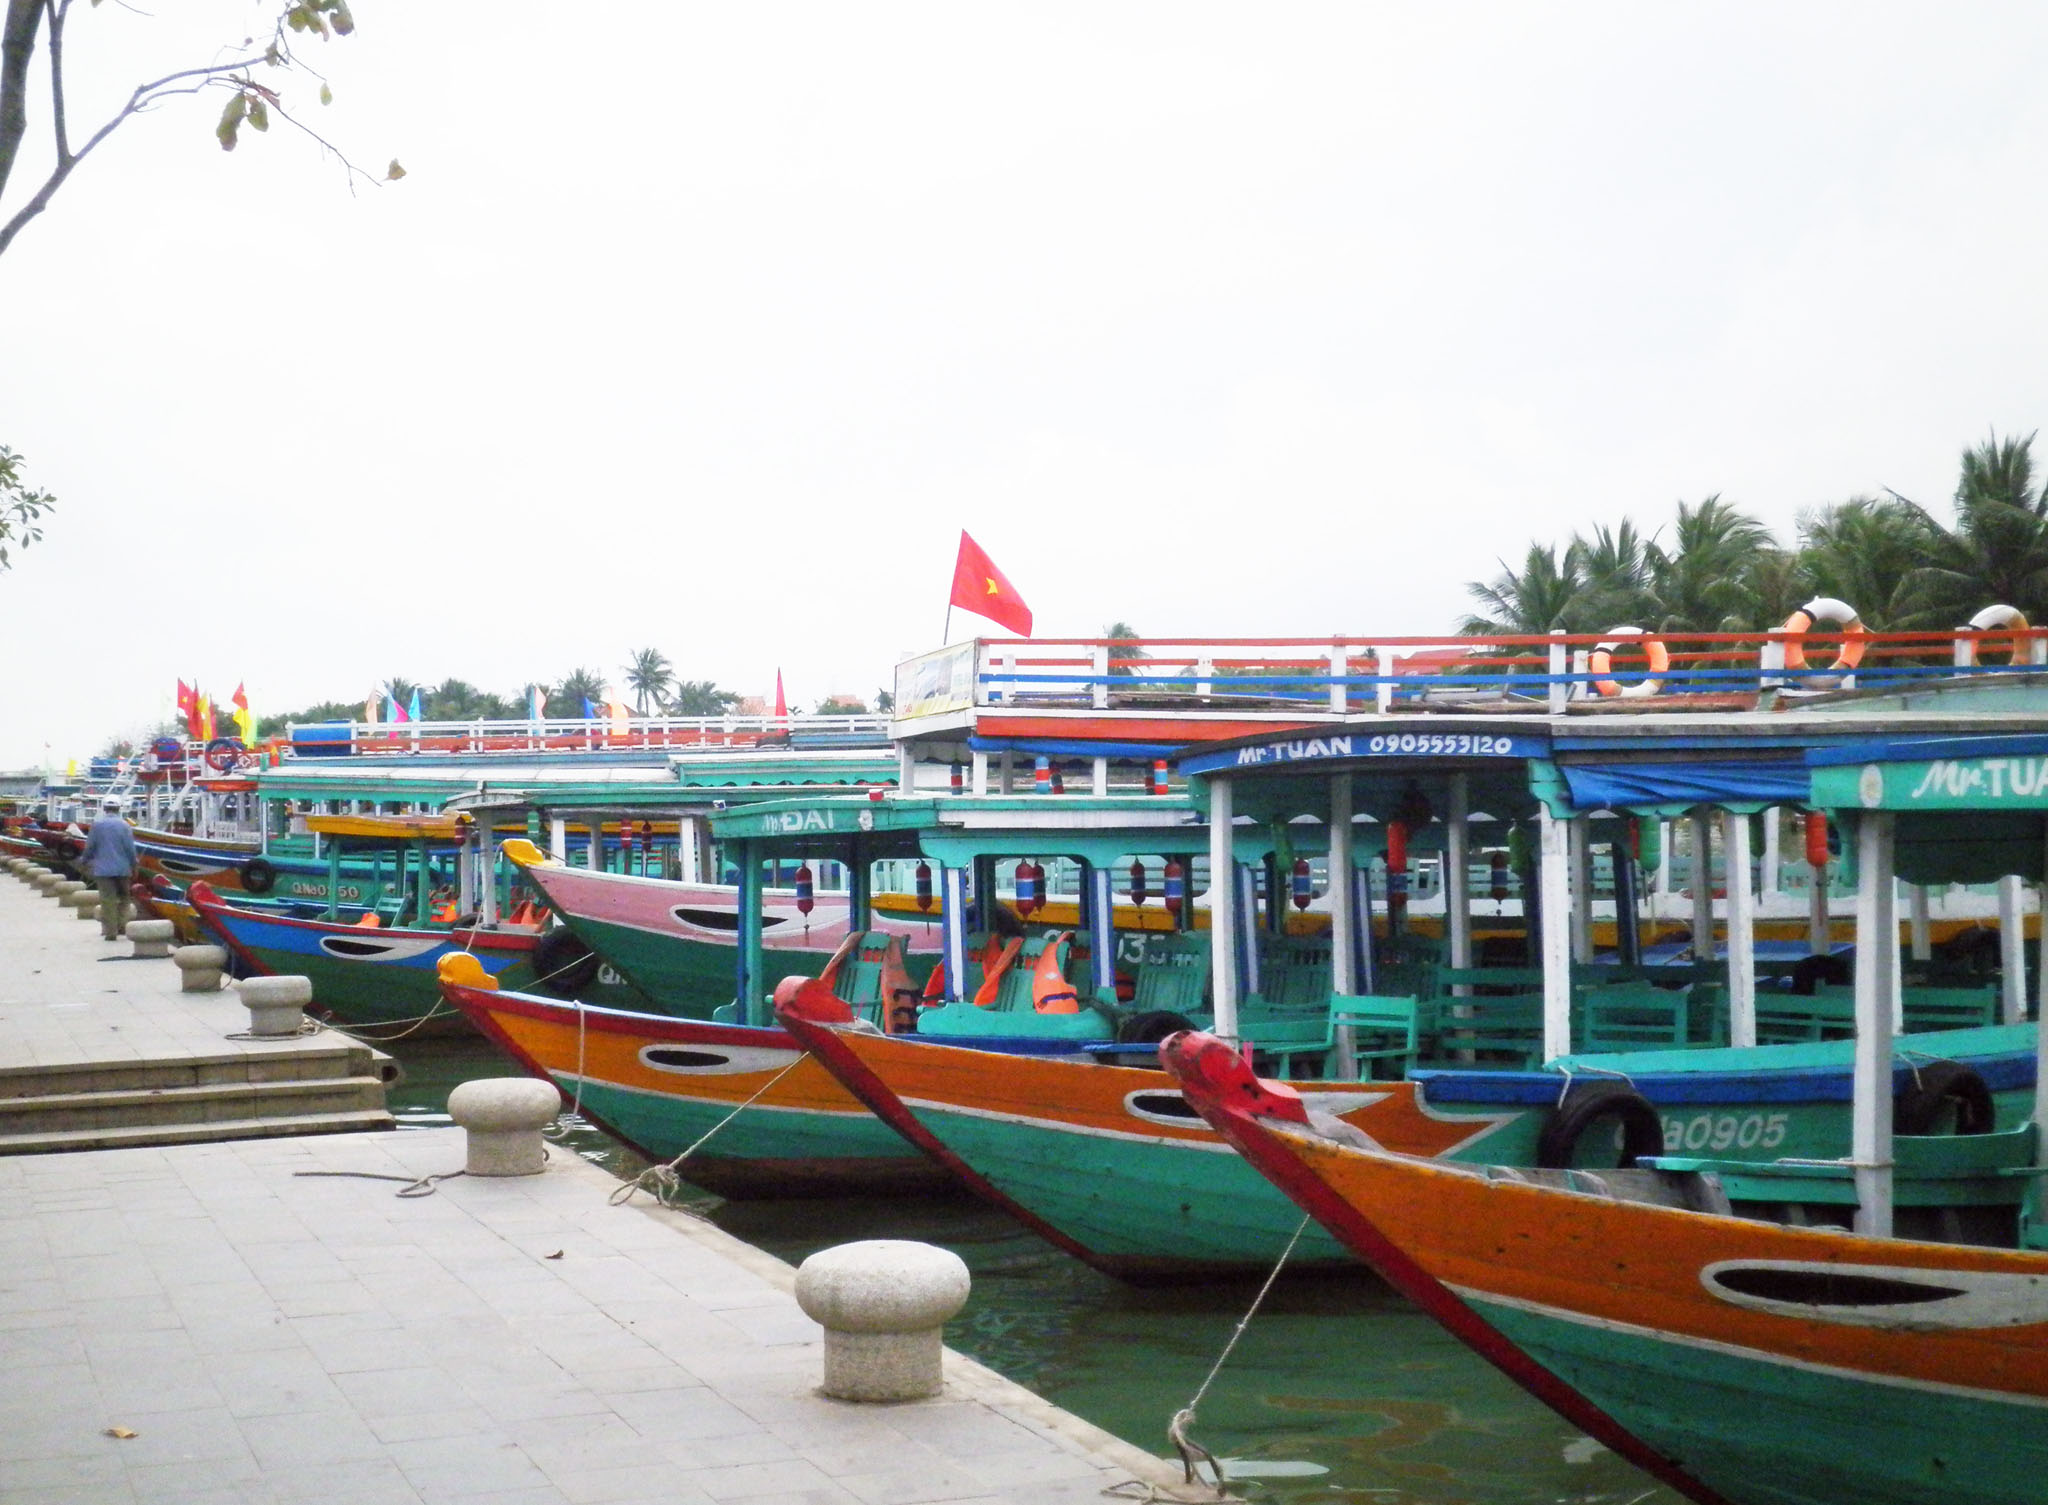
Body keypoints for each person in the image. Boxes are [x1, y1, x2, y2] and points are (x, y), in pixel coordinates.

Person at [79, 798, 138, 941]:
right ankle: (122, 925)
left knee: (107, 900)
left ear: (104, 809)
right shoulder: (125, 826)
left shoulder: (97, 825)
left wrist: (84, 861)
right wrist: (134, 865)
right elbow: (130, 849)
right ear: (119, 809)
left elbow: (90, 847)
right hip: (123, 868)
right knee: (124, 898)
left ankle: (111, 931)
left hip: (103, 870)